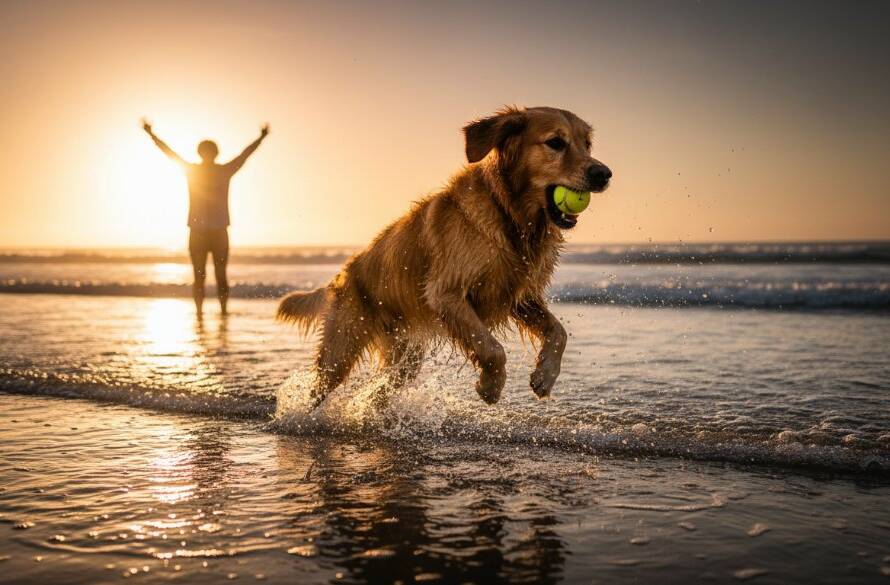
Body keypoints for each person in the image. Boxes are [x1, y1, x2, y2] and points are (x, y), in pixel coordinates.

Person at [142, 119, 269, 316]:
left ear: (201, 152)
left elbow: (169, 153)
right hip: (212, 231)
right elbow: (245, 155)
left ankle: (207, 313)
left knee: (204, 276)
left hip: (204, 232)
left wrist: (151, 134)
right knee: (214, 275)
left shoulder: (197, 170)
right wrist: (261, 137)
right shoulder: (222, 170)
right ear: (214, 152)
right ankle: (215, 313)